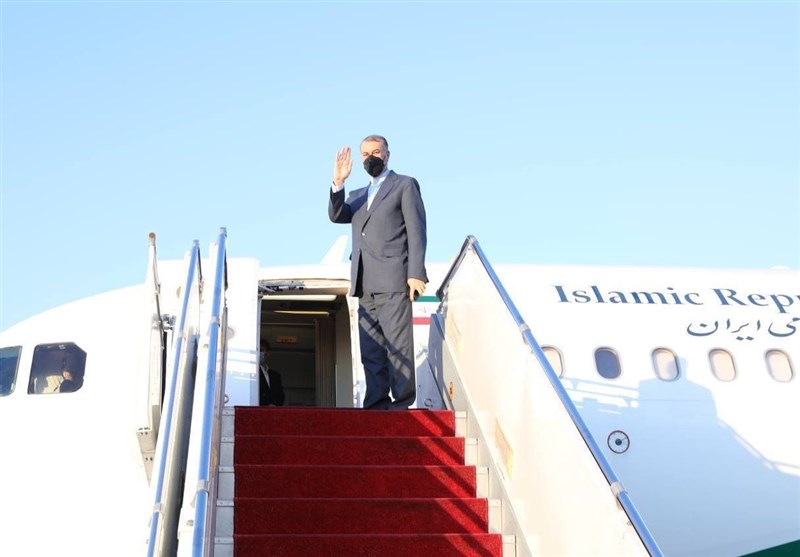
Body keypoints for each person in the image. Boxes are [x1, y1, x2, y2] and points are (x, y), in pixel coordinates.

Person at [328, 134, 428, 410]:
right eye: (365, 154)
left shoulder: (404, 185)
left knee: (398, 345)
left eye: (375, 152)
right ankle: (376, 404)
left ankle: (402, 403)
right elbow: (336, 215)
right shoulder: (357, 196)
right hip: (364, 282)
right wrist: (338, 182)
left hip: (393, 278)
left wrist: (416, 272)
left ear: (387, 154)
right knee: (371, 350)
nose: (370, 157)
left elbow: (417, 231)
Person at [258, 341, 285, 406]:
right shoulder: (252, 373)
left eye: (261, 350)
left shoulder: (275, 375)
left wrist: (274, 405)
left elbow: (281, 396)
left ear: (268, 353)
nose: (258, 353)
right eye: (257, 350)